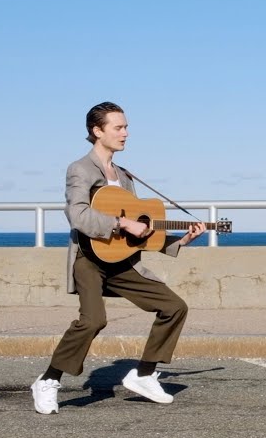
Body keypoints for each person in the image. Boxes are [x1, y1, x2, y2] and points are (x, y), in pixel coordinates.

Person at [30, 102, 206, 415]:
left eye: (126, 127)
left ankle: (144, 374)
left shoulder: (124, 177)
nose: (125, 133)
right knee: (93, 320)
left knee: (174, 307)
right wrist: (122, 222)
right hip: (89, 259)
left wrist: (181, 240)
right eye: (118, 127)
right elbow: (77, 214)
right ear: (97, 131)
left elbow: (139, 232)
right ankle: (48, 380)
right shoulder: (80, 169)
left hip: (121, 262)